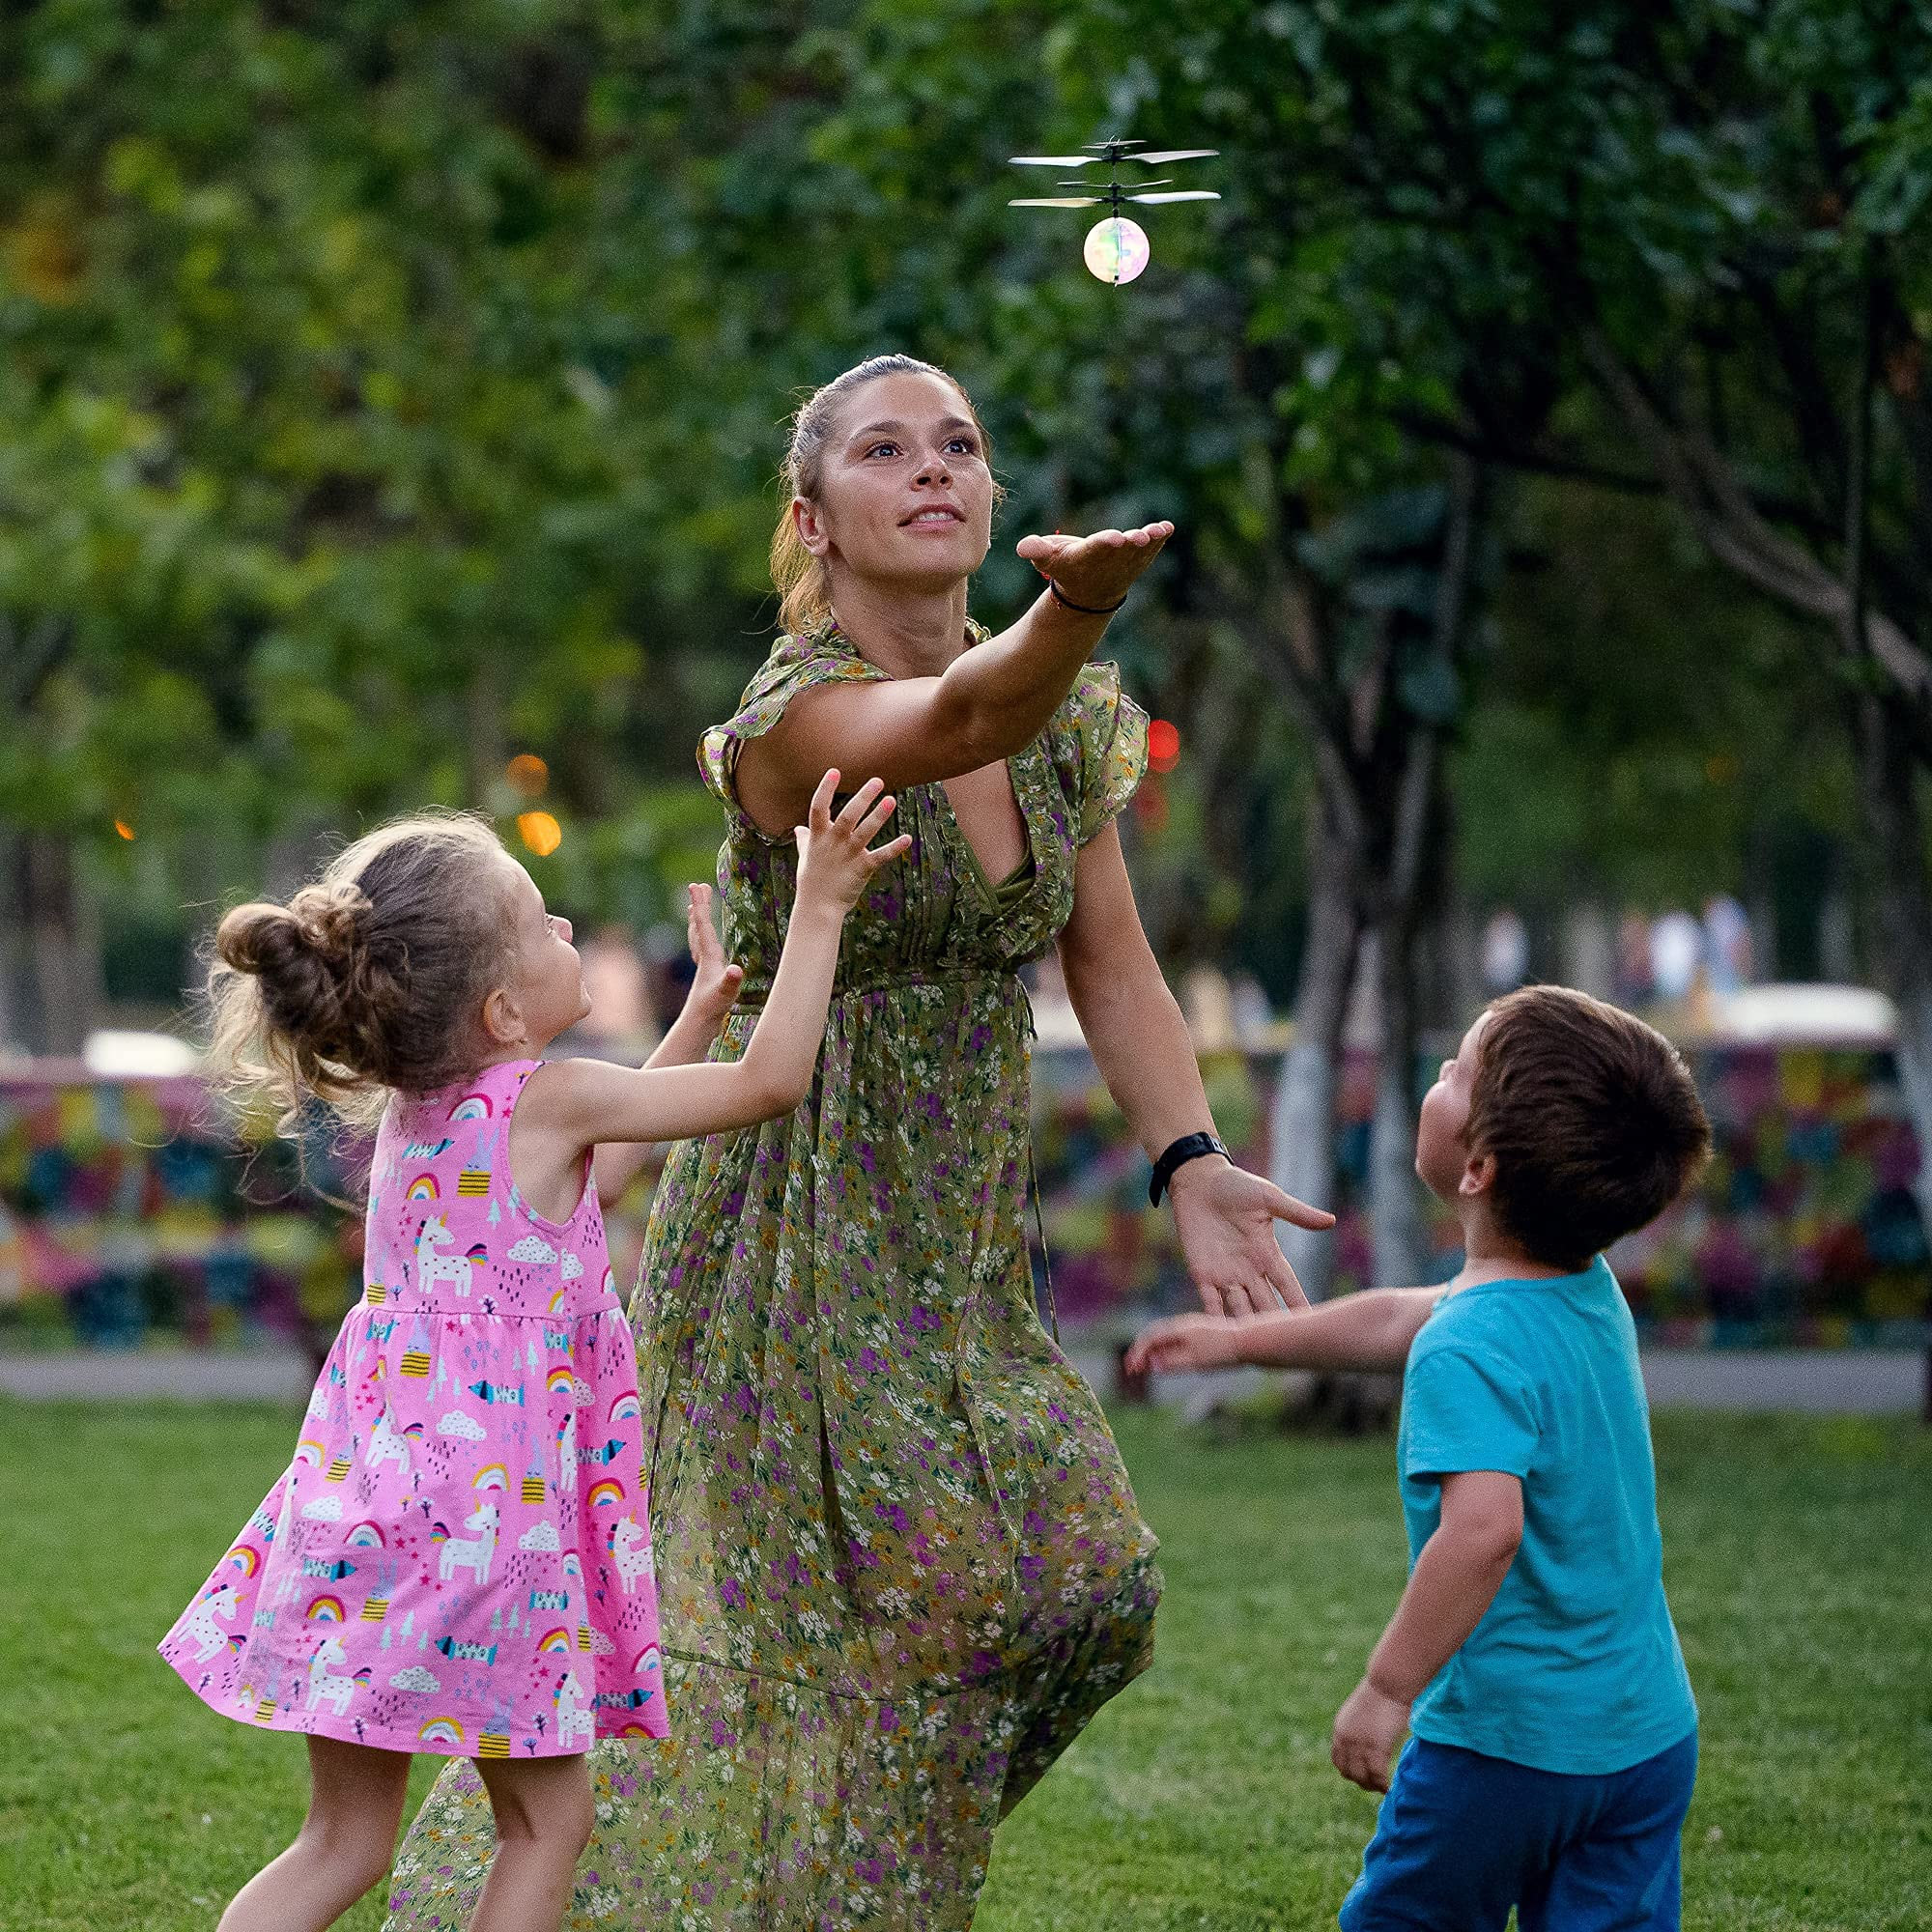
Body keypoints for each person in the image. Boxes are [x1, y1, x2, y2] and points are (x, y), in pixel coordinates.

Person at [386, 353, 1333, 1930]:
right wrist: (1079, 610)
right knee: (766, 1652)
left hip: (952, 1234)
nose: (934, 469)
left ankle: (852, 1879)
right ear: (815, 518)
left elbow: (1110, 956)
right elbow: (960, 708)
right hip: (781, 1236)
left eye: (959, 444)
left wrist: (1192, 1157)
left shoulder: (1070, 723)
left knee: (1084, 1587)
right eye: (886, 452)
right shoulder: (792, 717)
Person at [160, 781, 906, 1932]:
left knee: (340, 1839)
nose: (567, 931)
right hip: (487, 1536)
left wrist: (700, 1011)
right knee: (543, 1824)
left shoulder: (421, 1115)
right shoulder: (548, 1098)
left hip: (369, 1518)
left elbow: (589, 1182)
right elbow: (771, 1086)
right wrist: (818, 905)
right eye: (543, 920)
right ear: (506, 1012)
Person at [1128, 985, 1712, 1932]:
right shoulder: (1579, 1287)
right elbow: (1405, 1313)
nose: (1436, 1076)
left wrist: (1385, 1687)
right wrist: (1238, 1342)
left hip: (1505, 1748)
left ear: (1477, 1165)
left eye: (1455, 1072)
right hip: (1644, 1737)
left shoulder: (1469, 1344)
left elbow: (1481, 1529)